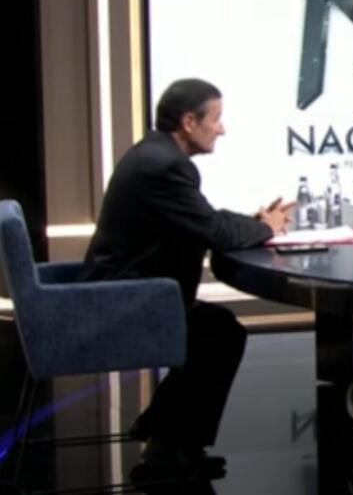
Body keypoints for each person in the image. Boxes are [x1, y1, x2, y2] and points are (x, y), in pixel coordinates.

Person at [83, 78, 294, 478]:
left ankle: (168, 440)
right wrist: (266, 228)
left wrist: (255, 222)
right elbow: (212, 230)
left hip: (132, 292)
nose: (222, 129)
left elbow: (203, 219)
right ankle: (168, 447)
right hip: (120, 303)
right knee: (218, 334)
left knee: (215, 330)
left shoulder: (157, 156)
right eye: (216, 118)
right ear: (189, 121)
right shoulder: (164, 165)